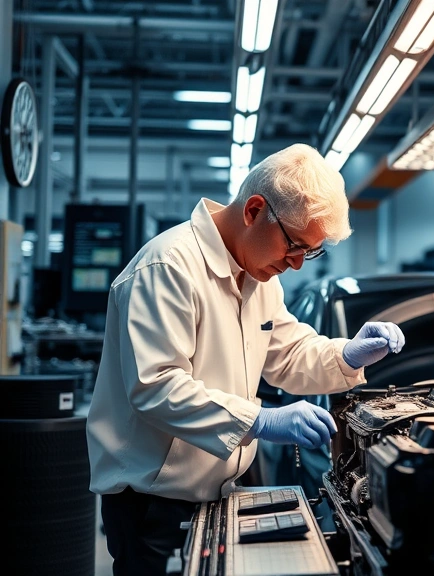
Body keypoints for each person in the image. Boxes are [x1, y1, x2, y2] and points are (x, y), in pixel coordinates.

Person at [86, 143, 406, 575]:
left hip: (215, 489)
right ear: (254, 210)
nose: (295, 265)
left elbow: (288, 352)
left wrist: (346, 353)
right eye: (294, 245)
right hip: (152, 502)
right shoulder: (168, 267)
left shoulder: (256, 275)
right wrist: (261, 420)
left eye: (309, 253)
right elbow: (156, 386)